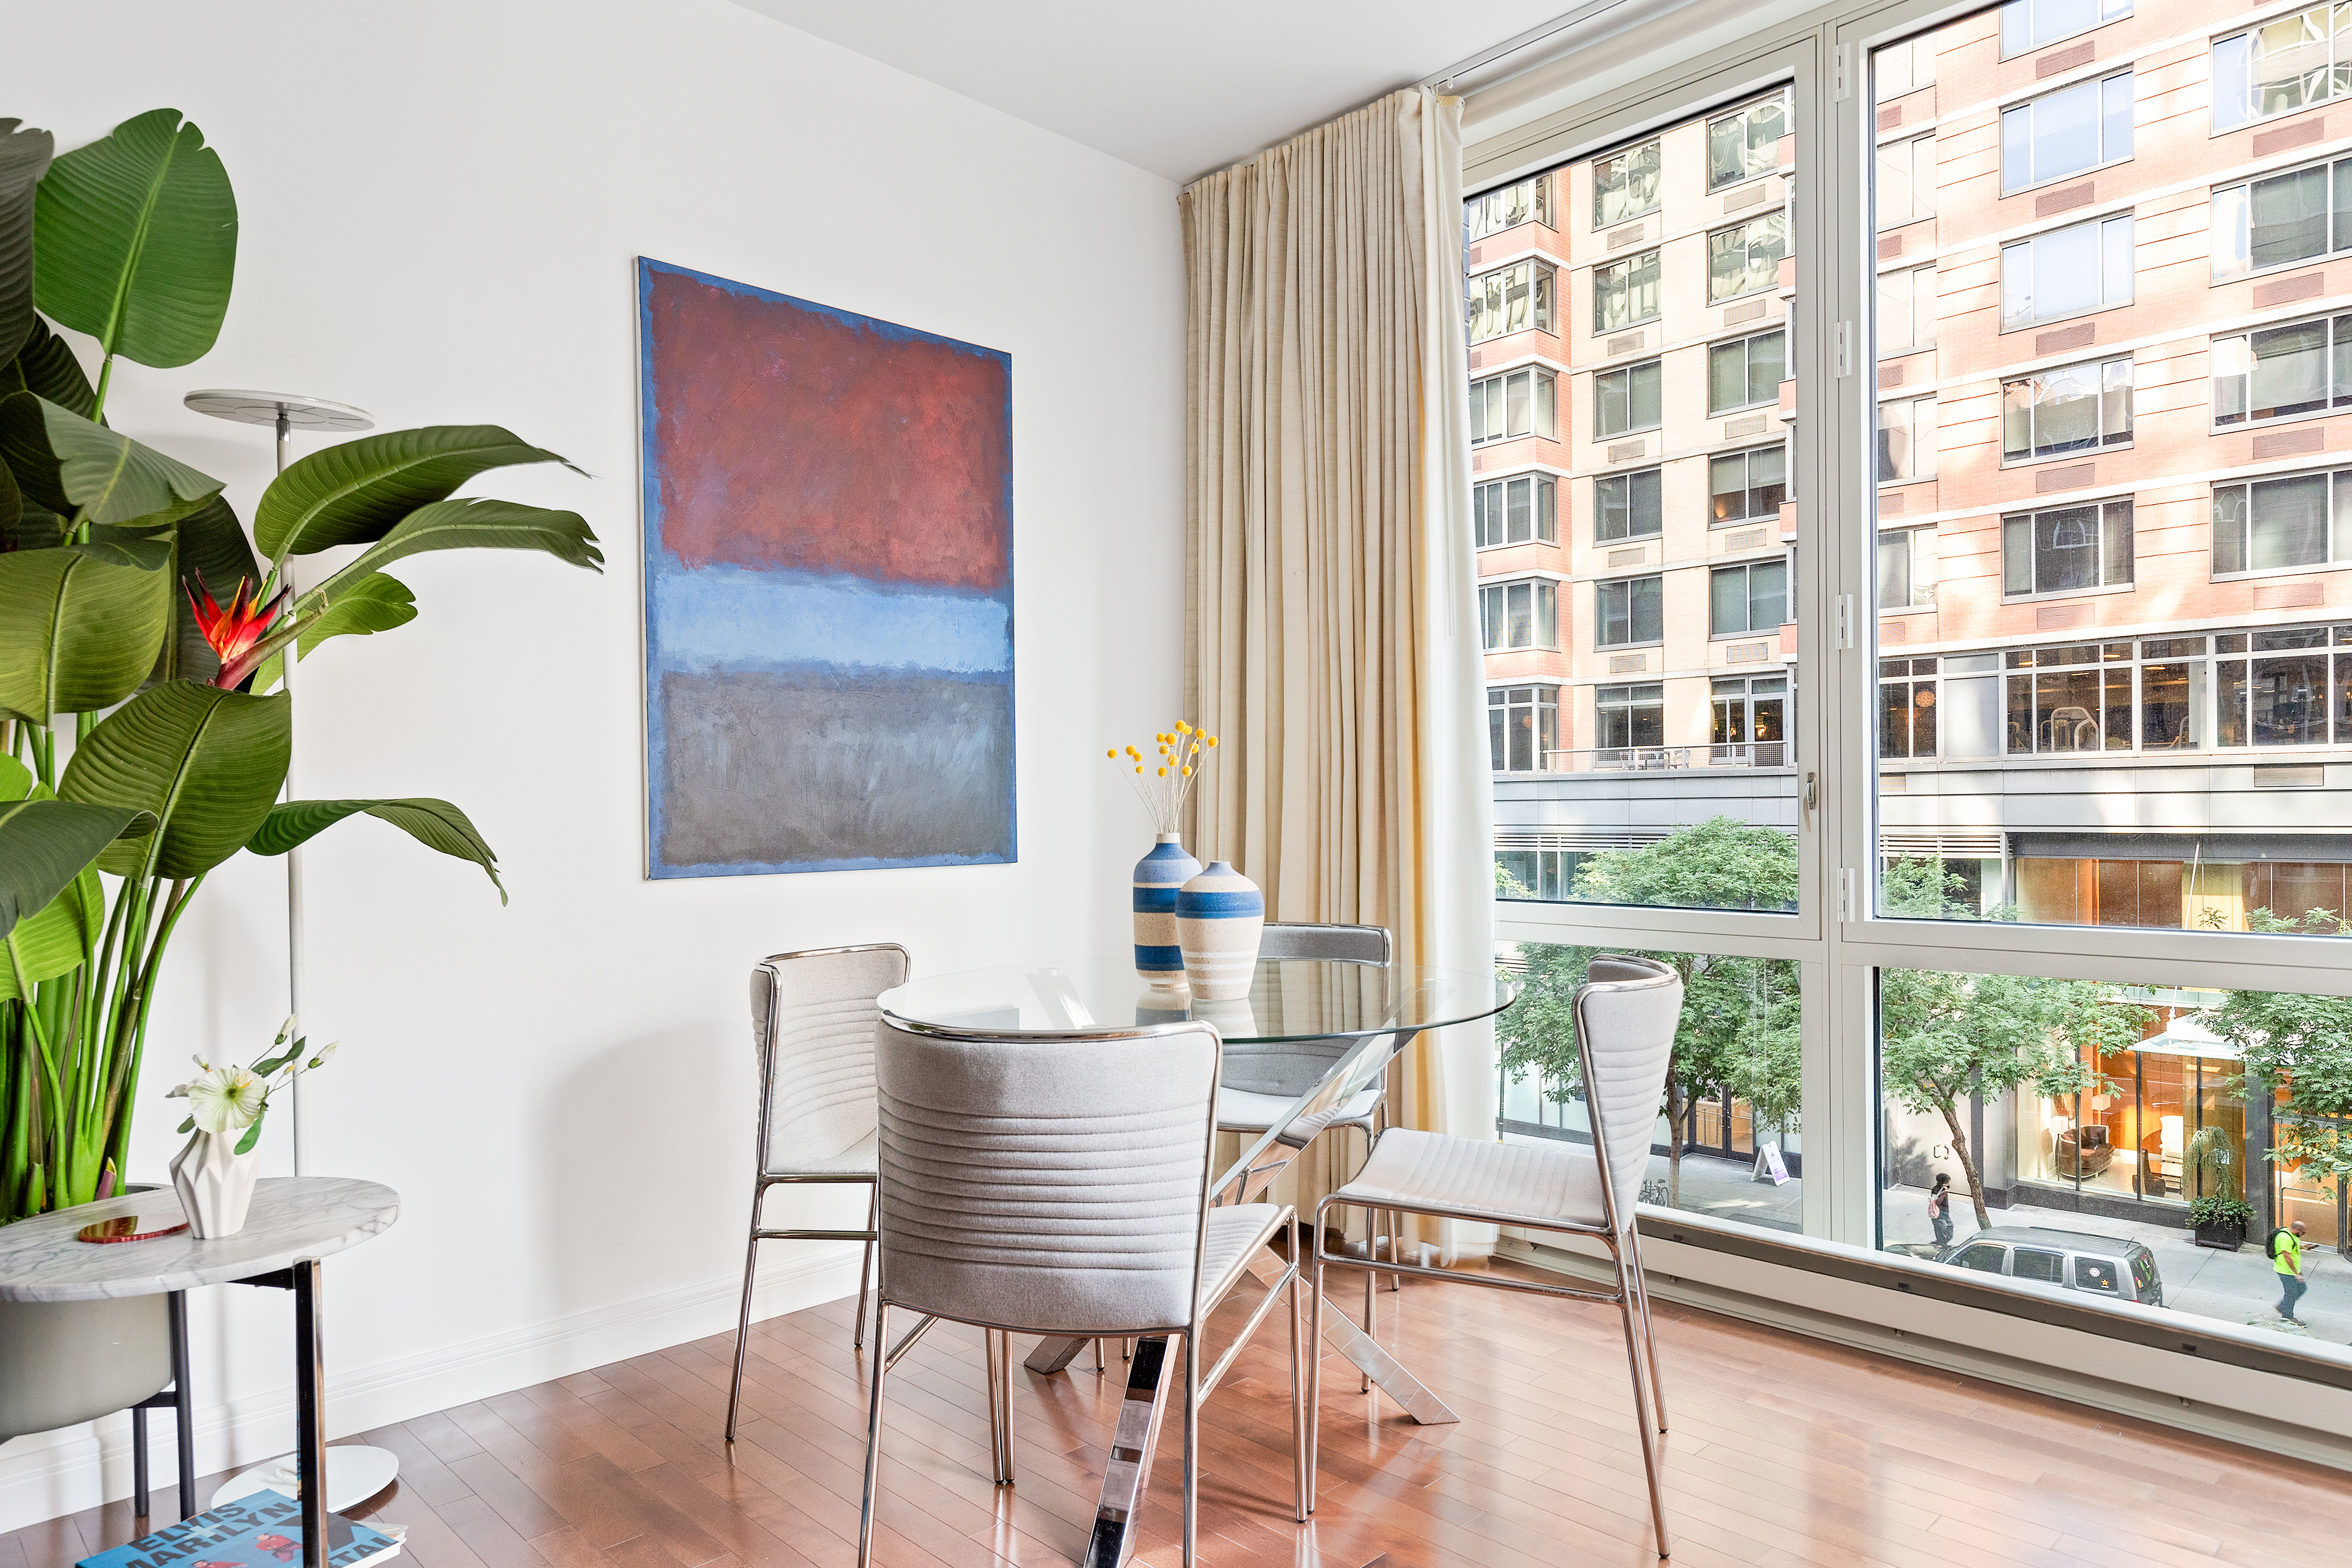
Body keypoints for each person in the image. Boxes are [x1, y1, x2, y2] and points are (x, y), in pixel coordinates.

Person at [2275, 1219, 2309, 1323]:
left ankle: (2283, 1307)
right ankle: (2288, 1317)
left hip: (2292, 1270)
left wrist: (2303, 1247)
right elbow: (2287, 1256)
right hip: (2286, 1270)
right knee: (2291, 1293)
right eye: (2302, 1233)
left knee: (2301, 1288)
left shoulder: (2290, 1234)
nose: (2302, 1235)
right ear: (2297, 1229)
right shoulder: (2284, 1238)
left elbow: (2292, 1247)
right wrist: (2296, 1274)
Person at [1928, 1172, 1954, 1248]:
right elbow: (1938, 1202)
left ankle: (1939, 1243)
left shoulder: (1942, 1189)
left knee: (1949, 1228)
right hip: (1939, 1212)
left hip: (1945, 1213)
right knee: (1942, 1229)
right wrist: (1944, 1192)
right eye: (1946, 1182)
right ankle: (1941, 1245)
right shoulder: (1937, 1190)